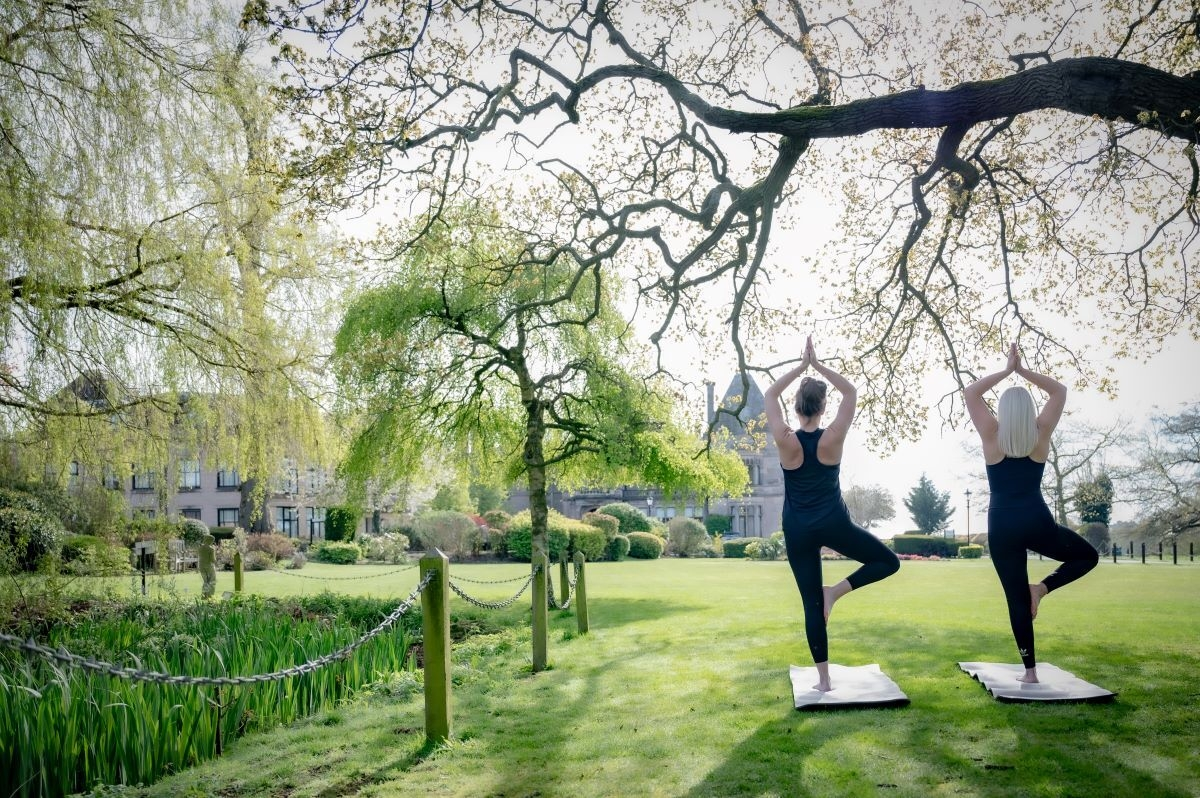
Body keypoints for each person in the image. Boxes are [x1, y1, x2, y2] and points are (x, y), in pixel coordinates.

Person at [765, 336, 900, 691]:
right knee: (888, 562)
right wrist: (817, 364)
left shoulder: (785, 439)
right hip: (833, 523)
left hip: (797, 528)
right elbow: (851, 392)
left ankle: (823, 680)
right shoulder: (833, 437)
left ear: (796, 408)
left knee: (811, 604)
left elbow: (768, 396)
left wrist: (799, 366)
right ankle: (836, 592)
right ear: (823, 407)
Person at [964, 343, 1099, 683]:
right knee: (1087, 557)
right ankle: (1043, 588)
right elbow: (1059, 390)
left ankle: (1030, 673)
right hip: (1036, 520)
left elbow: (970, 392)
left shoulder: (991, 435)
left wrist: (1007, 370)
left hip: (1003, 526)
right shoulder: (1040, 434)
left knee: (1015, 599)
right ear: (1030, 410)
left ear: (1002, 411)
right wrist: (1023, 371)